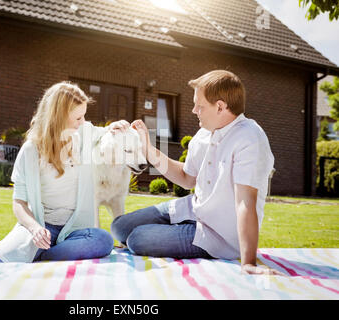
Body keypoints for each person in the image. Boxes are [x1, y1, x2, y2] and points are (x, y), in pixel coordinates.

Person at [112, 70, 284, 275]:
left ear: (220, 106)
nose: (194, 110)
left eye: (200, 106)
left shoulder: (250, 139)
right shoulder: (204, 133)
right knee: (120, 227)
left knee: (137, 239)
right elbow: (186, 178)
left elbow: (245, 202)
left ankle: (190, 238)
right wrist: (148, 149)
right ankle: (177, 226)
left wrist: (248, 263)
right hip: (193, 209)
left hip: (216, 234)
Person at [0, 81, 128, 263]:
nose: (84, 122)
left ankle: (40, 255)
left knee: (103, 241)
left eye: (84, 116)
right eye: (78, 118)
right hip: (42, 227)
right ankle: (24, 249)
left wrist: (115, 126)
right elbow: (19, 203)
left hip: (75, 230)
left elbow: (105, 132)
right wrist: (35, 229)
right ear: (59, 117)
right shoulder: (31, 150)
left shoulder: (84, 134)